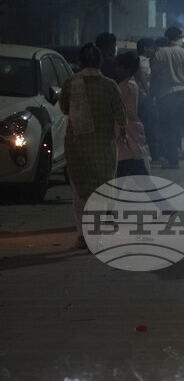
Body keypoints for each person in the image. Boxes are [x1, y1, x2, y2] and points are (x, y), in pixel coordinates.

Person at [58, 43, 127, 249]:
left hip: (77, 146)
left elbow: (63, 109)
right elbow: (121, 116)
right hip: (103, 147)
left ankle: (82, 234)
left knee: (80, 190)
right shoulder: (110, 85)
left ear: (80, 62)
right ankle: (95, 234)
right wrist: (122, 134)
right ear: (101, 62)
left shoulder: (71, 83)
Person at [150, 26, 184, 169]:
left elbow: (154, 78)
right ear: (179, 38)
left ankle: (173, 162)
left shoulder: (159, 55)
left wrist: (151, 97)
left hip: (166, 97)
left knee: (169, 130)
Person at [113, 51, 151, 177]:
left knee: (127, 170)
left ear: (126, 68)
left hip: (126, 131)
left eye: (119, 67)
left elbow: (118, 108)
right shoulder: (133, 84)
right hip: (132, 129)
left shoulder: (125, 86)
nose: (116, 70)